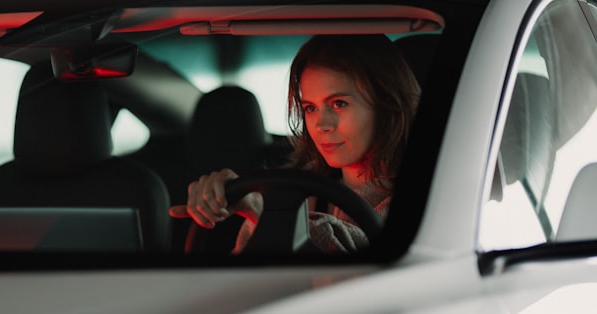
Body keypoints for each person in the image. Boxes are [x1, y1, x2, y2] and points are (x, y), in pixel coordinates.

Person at [169, 34, 421, 254]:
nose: (321, 124)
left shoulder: (429, 197)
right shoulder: (294, 188)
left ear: (386, 103)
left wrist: (269, 214)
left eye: (338, 104)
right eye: (310, 108)